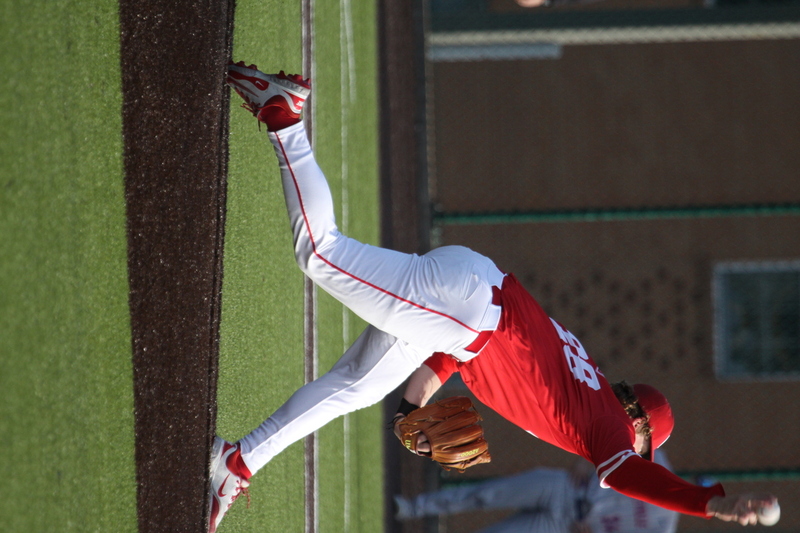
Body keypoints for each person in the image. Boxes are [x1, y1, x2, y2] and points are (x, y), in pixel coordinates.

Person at [208, 62, 777, 533]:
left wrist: (411, 405)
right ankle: (284, 116)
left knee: (354, 387)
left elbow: (466, 356)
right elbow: (633, 477)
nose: (635, 450)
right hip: (466, 311)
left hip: (469, 305)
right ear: (636, 420)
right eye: (642, 442)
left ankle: (236, 462)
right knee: (320, 254)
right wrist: (711, 505)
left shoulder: (586, 382)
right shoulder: (606, 425)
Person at [394, 452, 680, 533]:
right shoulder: (657, 462)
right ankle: (412, 508)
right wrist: (586, 459)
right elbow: (616, 439)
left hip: (564, 526)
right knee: (485, 495)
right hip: (564, 487)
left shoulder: (661, 526)